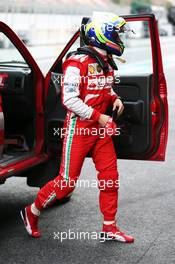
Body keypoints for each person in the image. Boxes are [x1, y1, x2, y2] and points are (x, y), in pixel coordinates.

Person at [20, 13, 134, 243]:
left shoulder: (106, 60)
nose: (119, 38)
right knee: (66, 183)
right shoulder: (76, 62)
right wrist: (98, 117)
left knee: (110, 178)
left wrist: (114, 98)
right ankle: (31, 212)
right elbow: (69, 100)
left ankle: (109, 227)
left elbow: (103, 88)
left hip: (101, 130)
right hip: (79, 130)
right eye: (115, 33)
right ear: (101, 33)